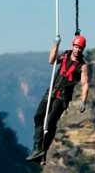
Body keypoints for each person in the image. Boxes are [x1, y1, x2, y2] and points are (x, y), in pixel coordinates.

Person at [26, 34, 89, 163]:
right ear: (73, 46)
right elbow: (51, 60)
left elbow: (85, 84)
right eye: (76, 47)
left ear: (83, 50)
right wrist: (55, 44)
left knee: (49, 122)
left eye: (80, 48)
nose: (78, 50)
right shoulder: (65, 55)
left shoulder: (82, 66)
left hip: (62, 97)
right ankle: (37, 148)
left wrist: (83, 100)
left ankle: (43, 150)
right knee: (38, 116)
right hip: (51, 92)